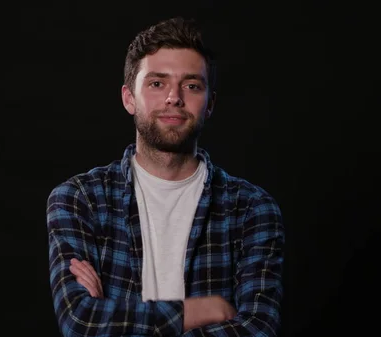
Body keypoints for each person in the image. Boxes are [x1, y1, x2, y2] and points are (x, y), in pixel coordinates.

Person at [46, 16, 284, 337]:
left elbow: (258, 328)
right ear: (129, 98)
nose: (174, 97)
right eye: (157, 83)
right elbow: (82, 322)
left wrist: (115, 318)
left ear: (209, 103)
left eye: (191, 85)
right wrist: (199, 311)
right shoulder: (79, 199)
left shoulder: (252, 209)